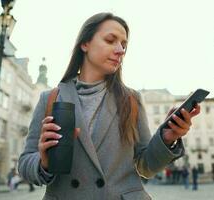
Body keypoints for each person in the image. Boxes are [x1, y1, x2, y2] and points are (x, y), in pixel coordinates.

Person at [18, 12, 201, 199]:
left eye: (124, 45)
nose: (120, 50)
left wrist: (167, 137)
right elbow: (25, 164)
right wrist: (44, 161)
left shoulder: (131, 99)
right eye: (110, 40)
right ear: (85, 44)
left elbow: (146, 166)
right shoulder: (50, 98)